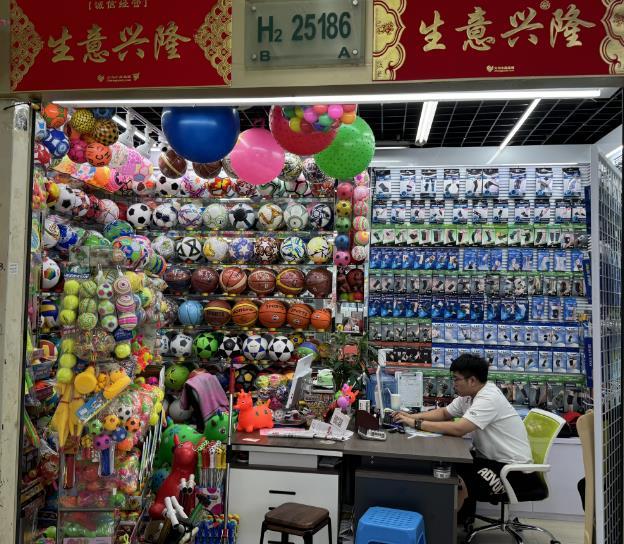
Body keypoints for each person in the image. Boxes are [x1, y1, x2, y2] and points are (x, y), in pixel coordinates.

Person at [393, 354, 540, 522]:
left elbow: (459, 429)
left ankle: (446, 526)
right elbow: (444, 413)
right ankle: (458, 520)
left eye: (456, 379)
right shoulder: (469, 396)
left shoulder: (489, 397)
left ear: (472, 380)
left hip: (514, 472)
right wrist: (411, 416)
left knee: (453, 477)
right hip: (491, 461)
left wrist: (416, 423)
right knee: (448, 465)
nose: (453, 383)